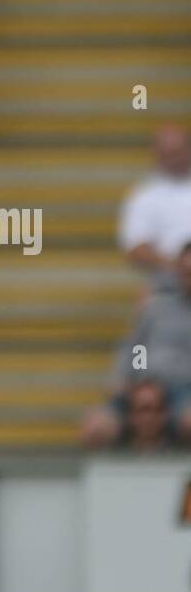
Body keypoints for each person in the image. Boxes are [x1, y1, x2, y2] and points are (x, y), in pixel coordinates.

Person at [81, 241, 191, 450]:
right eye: (186, 272)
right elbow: (135, 346)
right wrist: (131, 378)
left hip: (184, 394)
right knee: (96, 428)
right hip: (142, 386)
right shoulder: (157, 308)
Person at [118, 124, 191, 287]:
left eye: (180, 152)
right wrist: (180, 267)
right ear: (157, 155)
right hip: (170, 288)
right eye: (170, 154)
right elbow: (135, 248)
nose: (176, 158)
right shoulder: (144, 196)